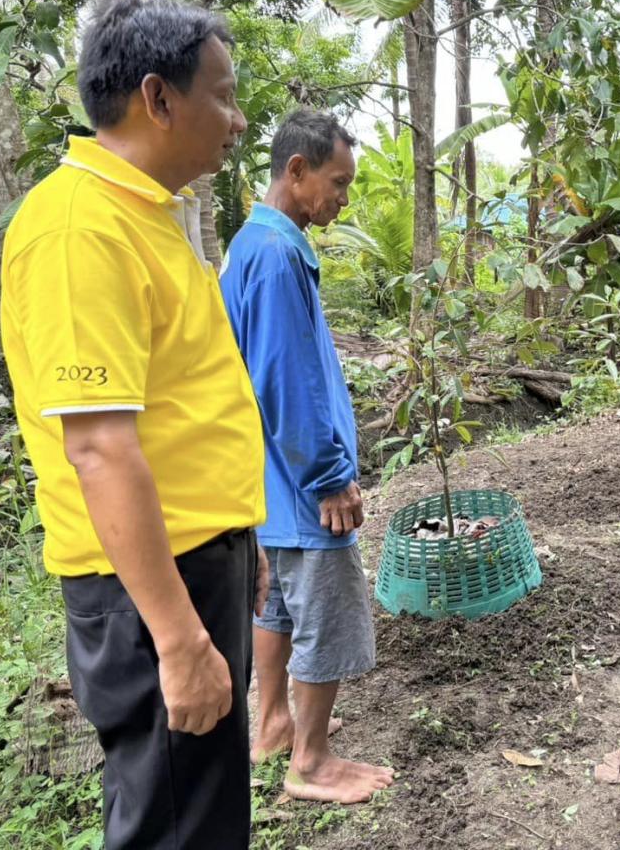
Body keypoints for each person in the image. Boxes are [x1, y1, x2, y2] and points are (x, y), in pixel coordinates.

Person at [0, 0, 268, 848]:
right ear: (158, 98)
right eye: (222, 95)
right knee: (172, 824)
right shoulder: (81, 229)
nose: (235, 120)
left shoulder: (148, 215)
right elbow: (101, 449)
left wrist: (239, 542)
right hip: (150, 589)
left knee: (206, 810)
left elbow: (177, 407)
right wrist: (178, 636)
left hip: (194, 562)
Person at [219, 109, 393, 804]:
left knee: (278, 609)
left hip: (265, 480)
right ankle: (313, 763)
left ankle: (273, 727)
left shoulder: (250, 244)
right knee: (324, 606)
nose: (343, 198)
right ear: (296, 172)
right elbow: (286, 377)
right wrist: (330, 478)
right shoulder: (280, 251)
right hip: (299, 483)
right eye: (338, 182)